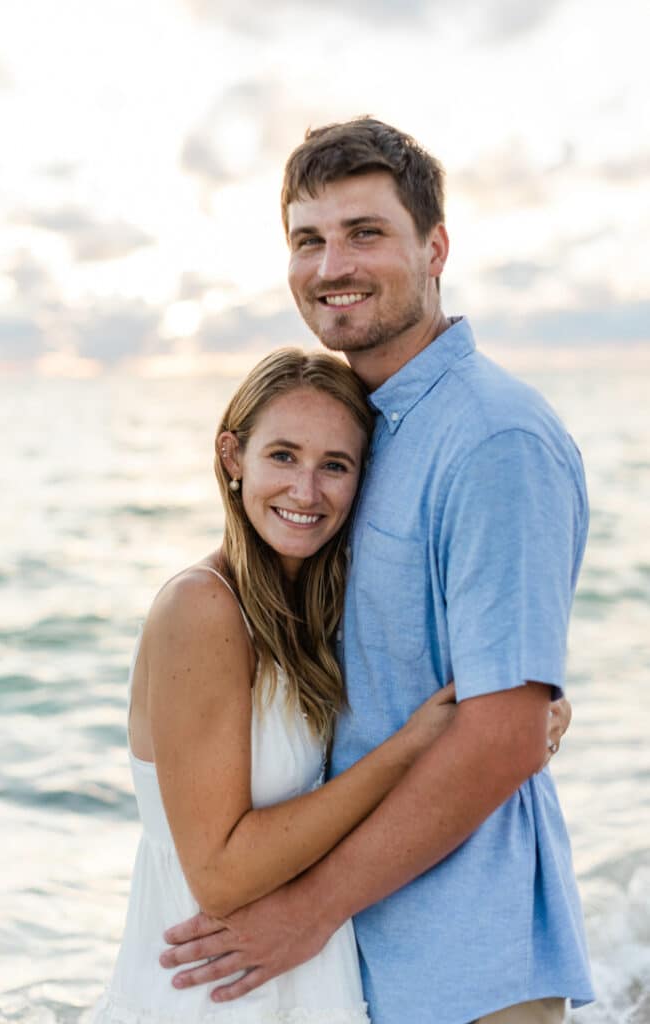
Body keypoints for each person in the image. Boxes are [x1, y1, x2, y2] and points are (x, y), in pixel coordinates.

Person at [159, 119, 594, 1024]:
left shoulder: (491, 437)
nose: (331, 267)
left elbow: (503, 733)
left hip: (467, 959)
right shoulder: (364, 430)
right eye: (307, 240)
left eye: (365, 233)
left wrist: (309, 911)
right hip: (355, 964)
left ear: (433, 247)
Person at [92, 347, 481, 1023]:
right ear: (231, 457)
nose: (306, 491)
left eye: (335, 465)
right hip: (211, 992)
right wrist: (408, 751)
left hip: (297, 974)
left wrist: (519, 700)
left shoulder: (320, 613)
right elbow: (220, 875)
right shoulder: (202, 607)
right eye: (282, 456)